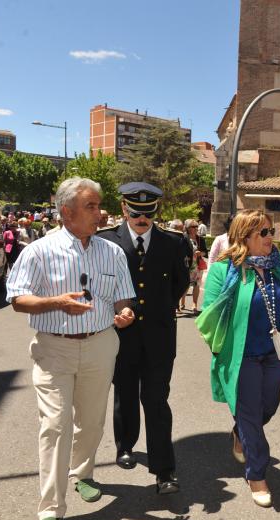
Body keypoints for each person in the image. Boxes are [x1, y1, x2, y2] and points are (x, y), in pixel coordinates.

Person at [5, 177, 135, 520]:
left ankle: (83, 474)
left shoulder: (113, 251)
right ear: (67, 212)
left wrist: (125, 313)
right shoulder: (38, 251)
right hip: (54, 347)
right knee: (55, 426)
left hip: (101, 344)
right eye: (91, 206)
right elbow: (18, 299)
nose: (100, 212)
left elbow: (122, 297)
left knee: (91, 421)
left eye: (99, 205)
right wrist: (55, 303)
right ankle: (50, 508)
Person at [198, 209, 280, 508]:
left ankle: (240, 432)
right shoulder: (225, 269)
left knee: (267, 408)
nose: (272, 238)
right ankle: (257, 474)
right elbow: (210, 313)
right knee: (249, 414)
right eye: (265, 233)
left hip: (276, 352)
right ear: (244, 237)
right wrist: (221, 347)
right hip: (242, 355)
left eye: (271, 231)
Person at [96, 182, 191, 495]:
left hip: (160, 335)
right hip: (121, 335)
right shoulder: (106, 241)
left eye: (148, 213)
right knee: (124, 392)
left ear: (156, 212)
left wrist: (157, 310)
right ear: (124, 209)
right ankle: (125, 444)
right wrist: (115, 312)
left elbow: (178, 285)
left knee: (156, 399)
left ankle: (165, 470)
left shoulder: (174, 243)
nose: (142, 219)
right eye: (135, 212)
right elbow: (100, 288)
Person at [181, 219, 208, 313]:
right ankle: (182, 302)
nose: (196, 228)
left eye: (197, 226)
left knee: (197, 285)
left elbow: (206, 252)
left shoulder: (200, 239)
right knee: (185, 285)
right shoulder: (183, 238)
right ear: (188, 228)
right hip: (186, 265)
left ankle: (194, 304)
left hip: (197, 266)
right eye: (193, 226)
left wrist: (201, 253)